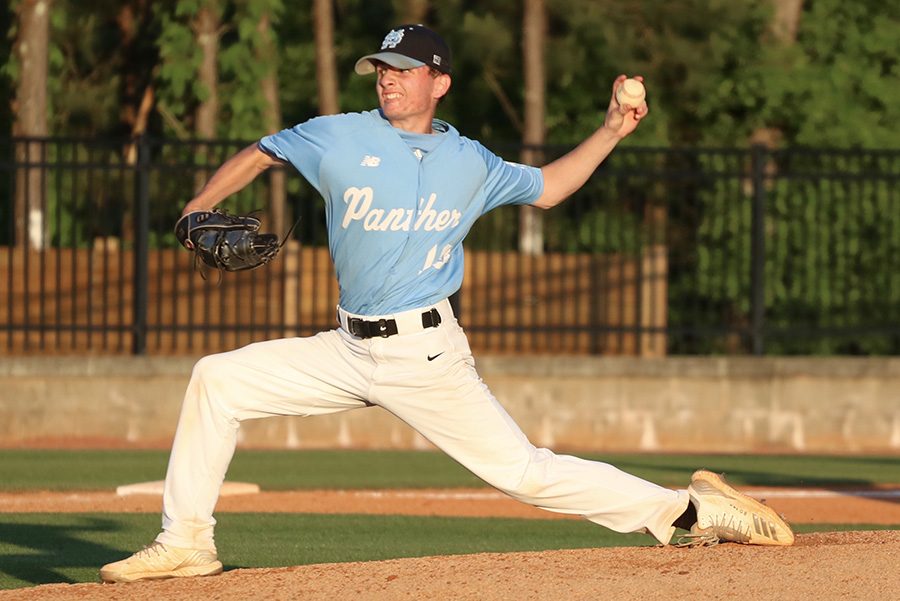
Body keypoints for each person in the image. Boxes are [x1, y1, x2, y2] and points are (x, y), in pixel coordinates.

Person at [100, 24, 793, 583]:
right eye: (382, 67)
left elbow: (549, 187)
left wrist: (612, 129)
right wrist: (199, 205)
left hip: (425, 353)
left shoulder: (473, 162)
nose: (388, 77)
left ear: (439, 82)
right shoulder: (338, 134)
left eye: (402, 68)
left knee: (524, 472)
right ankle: (187, 540)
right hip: (346, 347)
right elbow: (261, 152)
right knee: (218, 378)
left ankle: (687, 510)